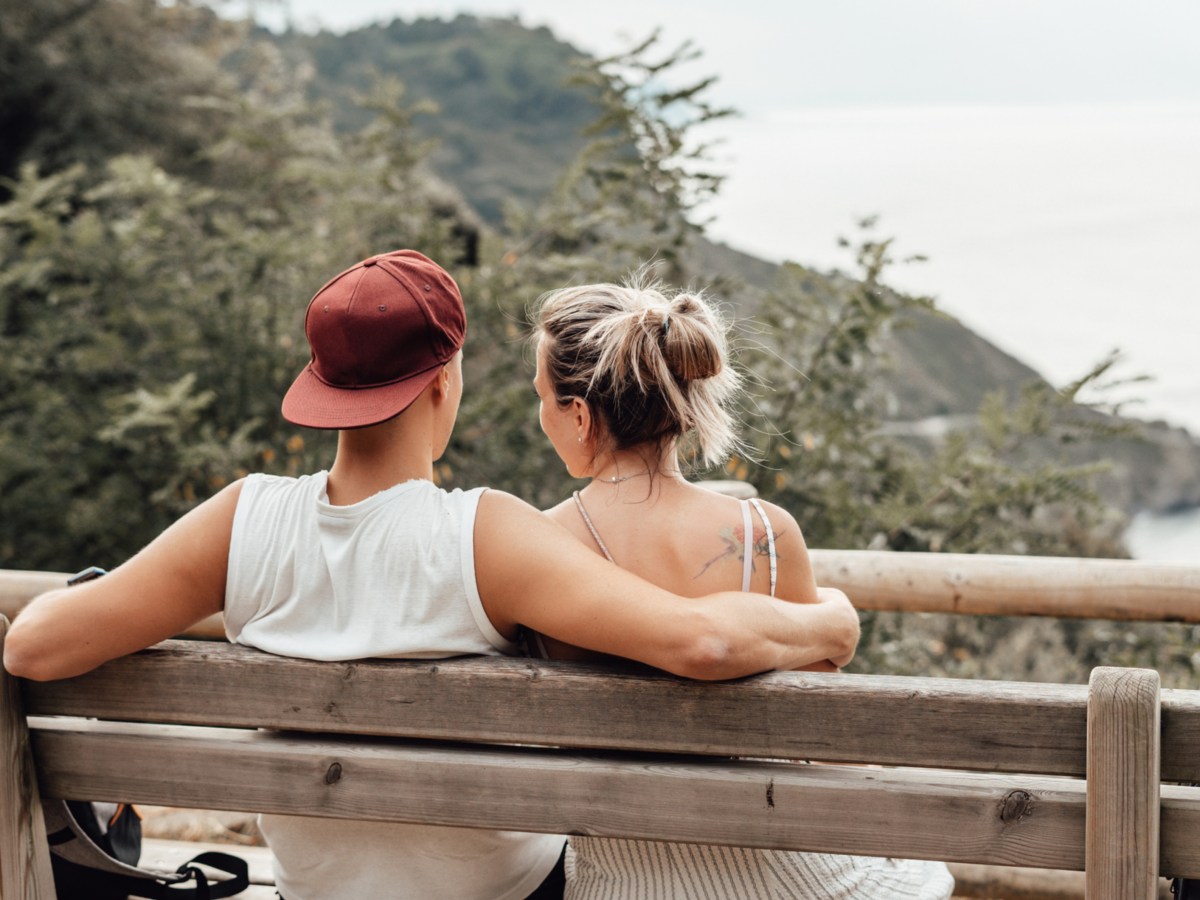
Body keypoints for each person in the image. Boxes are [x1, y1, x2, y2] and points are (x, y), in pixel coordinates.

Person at [4, 250, 860, 900]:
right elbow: (703, 641)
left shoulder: (241, 517)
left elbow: (35, 646)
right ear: (444, 382)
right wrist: (830, 625)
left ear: (321, 383)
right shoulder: (488, 534)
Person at [530, 273, 955, 899]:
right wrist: (836, 619)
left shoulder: (536, 547)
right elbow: (831, 743)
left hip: (619, 885)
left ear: (580, 415)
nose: (539, 415)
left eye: (541, 397)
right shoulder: (766, 533)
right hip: (787, 880)